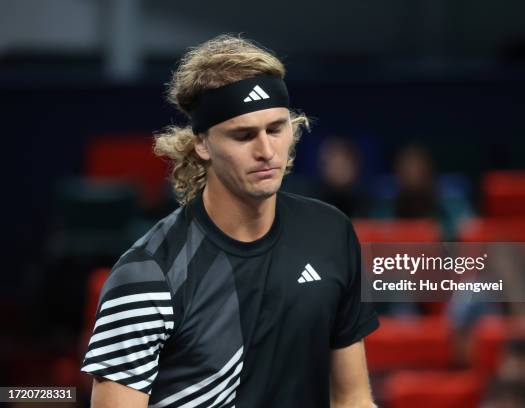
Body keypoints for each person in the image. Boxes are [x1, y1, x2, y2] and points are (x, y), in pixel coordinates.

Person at [80, 34, 379, 408]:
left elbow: (352, 398)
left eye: (275, 129)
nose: (266, 151)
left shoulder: (331, 233)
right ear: (202, 144)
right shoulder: (146, 274)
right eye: (244, 135)